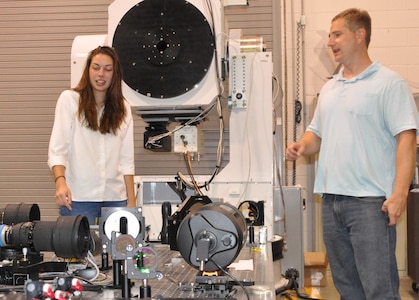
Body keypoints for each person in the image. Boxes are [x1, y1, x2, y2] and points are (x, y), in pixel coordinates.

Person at [286, 8, 418, 300]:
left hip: (370, 205)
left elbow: (407, 140)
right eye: (330, 35)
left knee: (379, 291)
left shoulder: (389, 83)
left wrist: (399, 194)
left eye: (337, 34)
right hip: (332, 202)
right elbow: (316, 134)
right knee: (348, 290)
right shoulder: (331, 88)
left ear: (360, 35)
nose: (330, 42)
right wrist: (302, 146)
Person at [48, 46, 136, 225]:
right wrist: (60, 183)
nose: (101, 74)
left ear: (115, 74)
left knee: (119, 251)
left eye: (107, 69)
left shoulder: (123, 108)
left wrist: (132, 201)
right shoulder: (70, 100)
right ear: (88, 70)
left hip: (115, 197)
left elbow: (127, 160)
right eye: (96, 67)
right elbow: (58, 150)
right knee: (77, 251)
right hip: (78, 197)